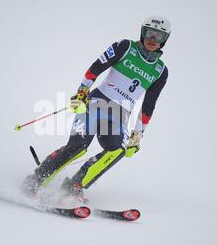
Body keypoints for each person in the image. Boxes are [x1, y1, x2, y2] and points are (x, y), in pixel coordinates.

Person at [22, 17, 171, 202]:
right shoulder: (125, 47)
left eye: (159, 36)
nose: (153, 40)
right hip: (97, 103)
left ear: (164, 39)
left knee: (117, 151)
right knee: (78, 147)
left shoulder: (160, 71)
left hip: (119, 116)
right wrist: (82, 91)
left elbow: (149, 105)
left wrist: (138, 133)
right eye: (150, 34)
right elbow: (95, 68)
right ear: (143, 32)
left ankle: (75, 185)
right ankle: (36, 180)